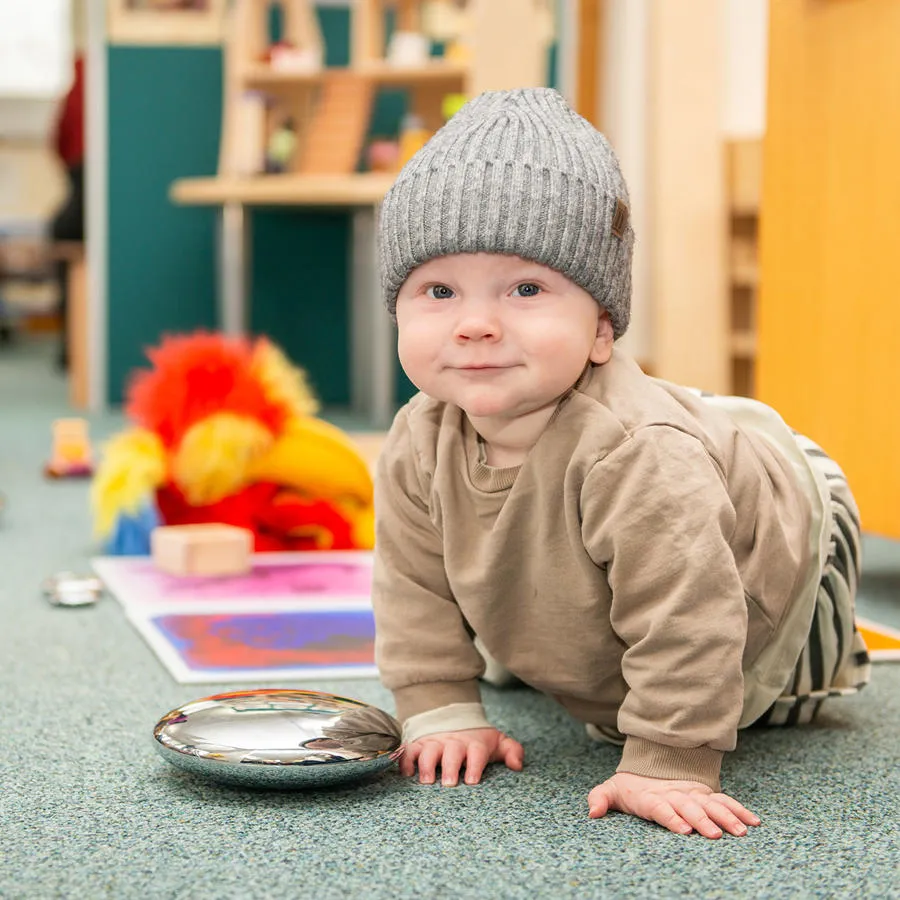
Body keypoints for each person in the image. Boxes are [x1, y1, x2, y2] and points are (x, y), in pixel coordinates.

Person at [371, 88, 871, 839]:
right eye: (438, 291)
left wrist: (668, 757)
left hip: (774, 560)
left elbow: (691, 610)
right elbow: (413, 583)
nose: (475, 324)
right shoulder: (419, 434)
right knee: (553, 603)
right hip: (615, 535)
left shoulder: (638, 453)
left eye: (527, 289)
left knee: (767, 697)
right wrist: (439, 706)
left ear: (602, 329)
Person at [48, 53, 85, 370]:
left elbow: (57, 143)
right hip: (89, 186)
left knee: (60, 230)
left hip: (81, 182)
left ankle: (69, 345)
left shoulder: (76, 88)